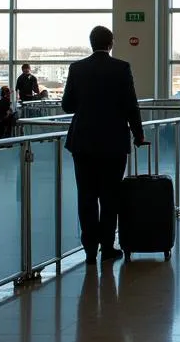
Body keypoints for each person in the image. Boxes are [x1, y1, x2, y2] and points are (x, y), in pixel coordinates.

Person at [61, 26, 146, 265]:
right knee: (110, 196)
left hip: (83, 142)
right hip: (113, 143)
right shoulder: (121, 68)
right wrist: (138, 135)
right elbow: (132, 106)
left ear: (91, 43)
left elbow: (67, 106)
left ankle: (89, 249)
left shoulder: (76, 68)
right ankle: (107, 247)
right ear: (111, 44)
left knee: (86, 196)